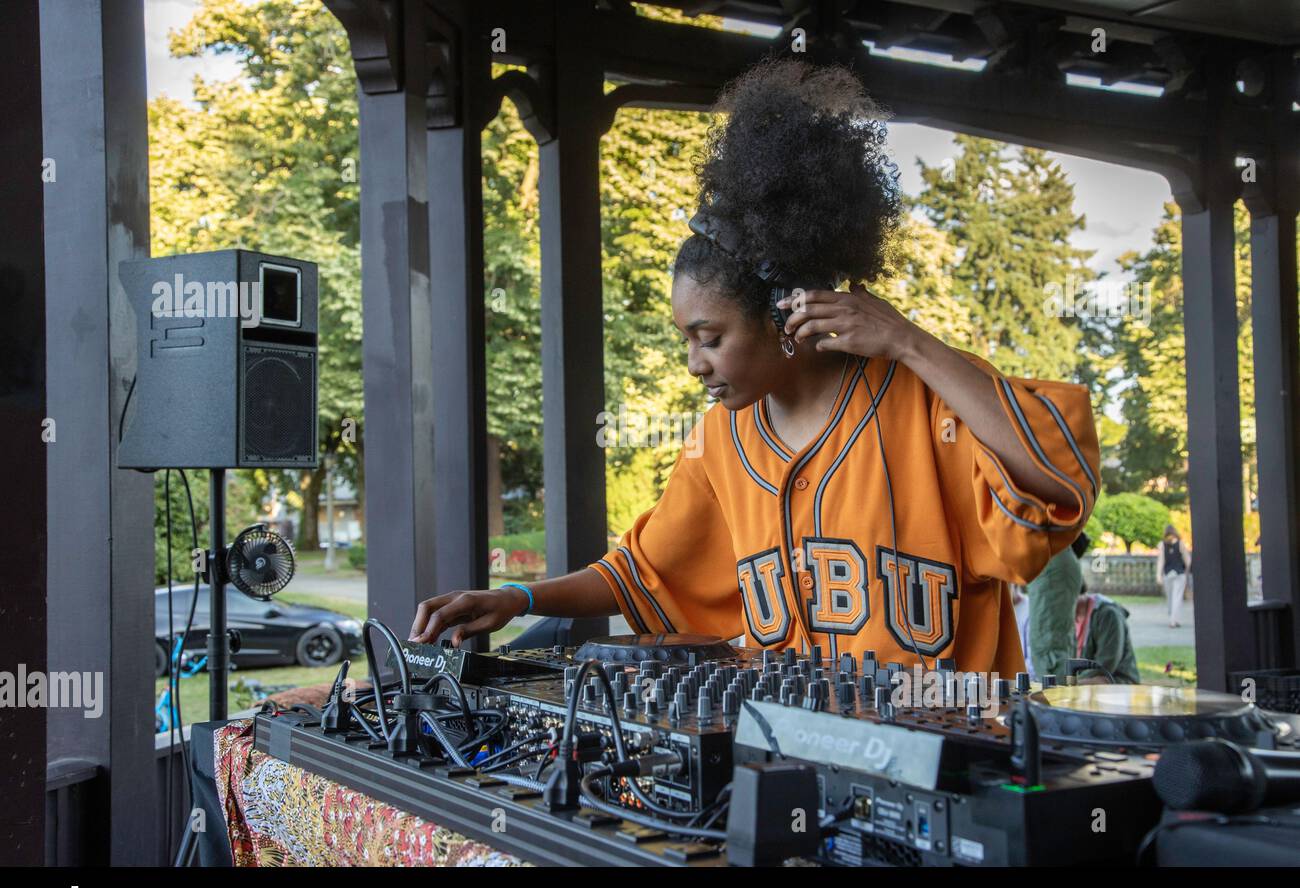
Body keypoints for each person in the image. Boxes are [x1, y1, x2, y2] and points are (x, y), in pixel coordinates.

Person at [408, 58, 1100, 677]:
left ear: (783, 314)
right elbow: (642, 573)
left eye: (709, 338)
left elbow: (1060, 485)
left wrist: (912, 342)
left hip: (944, 768)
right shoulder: (719, 442)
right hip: (785, 765)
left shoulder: (926, 395)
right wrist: (516, 597)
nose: (693, 364)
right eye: (686, 339)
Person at [1027, 532, 1088, 682]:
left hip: (1052, 555)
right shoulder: (1063, 559)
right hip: (1057, 554)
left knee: (1050, 651)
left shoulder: (1053, 560)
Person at [1073, 583, 1140, 684]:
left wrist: (1071, 682)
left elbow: (1105, 665)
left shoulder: (1108, 615)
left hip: (1118, 681)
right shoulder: (1068, 617)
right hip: (1086, 679)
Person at [1155, 524, 1191, 627]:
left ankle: (1173, 618)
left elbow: (1161, 561)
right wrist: (1186, 571)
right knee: (1177, 598)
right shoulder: (1180, 544)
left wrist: (1158, 575)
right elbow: (1188, 560)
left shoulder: (1162, 544)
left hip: (1168, 574)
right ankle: (1174, 620)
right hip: (1179, 574)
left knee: (1170, 598)